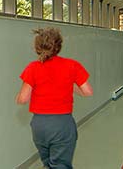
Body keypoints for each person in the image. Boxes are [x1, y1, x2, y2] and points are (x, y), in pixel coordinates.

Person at [15, 27, 93, 169]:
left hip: (39, 126)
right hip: (62, 124)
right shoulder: (72, 65)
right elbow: (87, 91)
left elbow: (23, 99)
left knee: (48, 164)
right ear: (59, 46)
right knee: (60, 165)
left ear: (37, 47)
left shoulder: (32, 68)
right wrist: (69, 86)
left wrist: (22, 94)